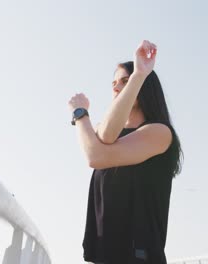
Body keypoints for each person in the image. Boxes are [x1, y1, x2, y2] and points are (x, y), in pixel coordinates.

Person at [68, 40, 183, 264]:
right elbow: (106, 137)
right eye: (113, 82)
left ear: (144, 86)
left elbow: (95, 157)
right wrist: (87, 121)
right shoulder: (104, 135)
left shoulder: (159, 132)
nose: (116, 86)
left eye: (124, 81)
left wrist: (80, 114)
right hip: (105, 256)